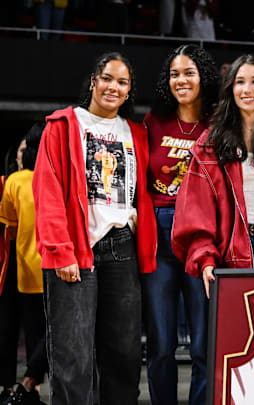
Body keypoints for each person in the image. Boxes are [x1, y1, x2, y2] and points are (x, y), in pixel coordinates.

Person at [32, 52, 157, 405]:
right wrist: (60, 250)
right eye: (107, 78)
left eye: (122, 82)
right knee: (73, 357)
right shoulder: (62, 125)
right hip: (76, 251)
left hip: (123, 248)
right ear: (93, 81)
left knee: (124, 355)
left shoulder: (136, 134)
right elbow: (48, 191)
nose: (113, 87)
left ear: (129, 91)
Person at [142, 44, 219, 405]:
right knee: (160, 344)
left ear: (204, 76)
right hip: (158, 233)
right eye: (174, 74)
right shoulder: (154, 121)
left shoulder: (219, 122)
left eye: (189, 72)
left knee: (204, 343)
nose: (181, 80)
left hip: (201, 234)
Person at [173, 54, 254, 297]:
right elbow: (196, 209)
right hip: (235, 250)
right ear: (230, 89)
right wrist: (205, 257)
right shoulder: (210, 144)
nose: (247, 89)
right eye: (240, 82)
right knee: (238, 330)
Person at [0, 125, 48, 405]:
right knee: (35, 331)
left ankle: (26, 387)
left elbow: (10, 226)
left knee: (32, 330)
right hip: (28, 266)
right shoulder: (13, 182)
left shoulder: (15, 183)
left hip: (27, 266)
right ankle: (27, 386)